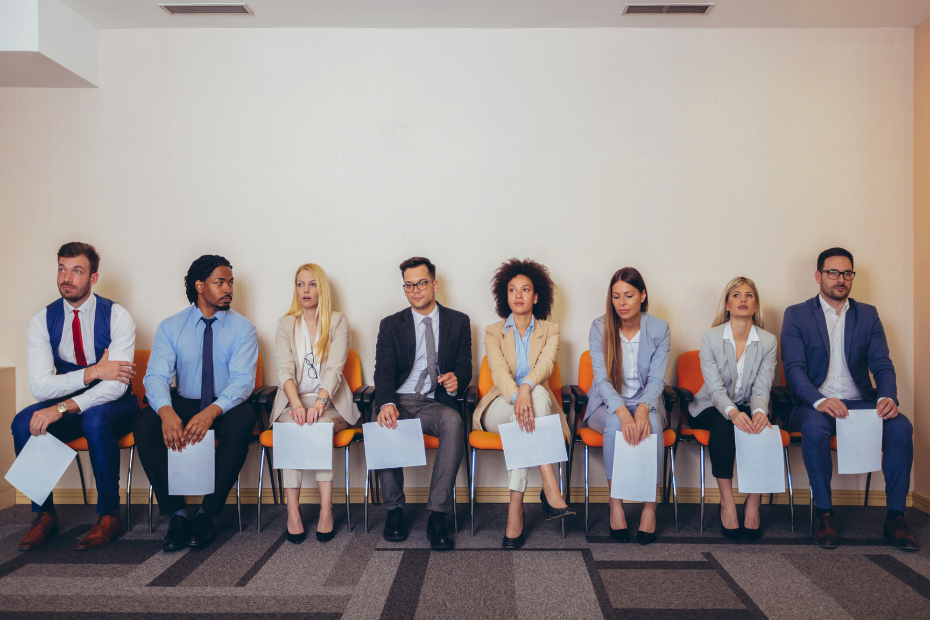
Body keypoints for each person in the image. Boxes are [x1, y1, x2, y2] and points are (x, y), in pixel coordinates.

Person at [782, 247, 917, 550]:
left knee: (901, 426)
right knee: (815, 427)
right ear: (819, 276)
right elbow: (794, 369)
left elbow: (881, 363)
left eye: (846, 273)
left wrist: (888, 397)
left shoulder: (867, 314)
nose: (840, 279)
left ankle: (895, 517)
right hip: (813, 404)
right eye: (833, 272)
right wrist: (818, 400)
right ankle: (824, 514)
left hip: (859, 402)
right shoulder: (797, 314)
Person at [13, 242, 139, 551]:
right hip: (70, 402)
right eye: (62, 269)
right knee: (22, 423)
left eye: (77, 271)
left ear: (93, 278)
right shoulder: (42, 320)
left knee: (95, 420)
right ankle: (44, 515)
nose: (66, 278)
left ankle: (109, 515)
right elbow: (40, 387)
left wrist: (64, 405)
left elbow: (117, 385)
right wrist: (94, 371)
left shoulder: (118, 316)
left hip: (114, 406)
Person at [135, 255, 258, 552]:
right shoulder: (171, 327)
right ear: (200, 286)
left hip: (223, 406)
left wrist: (212, 412)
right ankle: (176, 514)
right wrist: (166, 412)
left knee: (244, 419)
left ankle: (207, 514)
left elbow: (242, 381)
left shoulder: (244, 329)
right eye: (220, 282)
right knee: (144, 423)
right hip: (184, 402)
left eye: (230, 282)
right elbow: (155, 377)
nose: (228, 288)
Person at [473, 258, 574, 549]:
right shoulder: (494, 331)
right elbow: (499, 371)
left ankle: (514, 510)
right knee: (533, 402)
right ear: (505, 296)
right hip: (499, 406)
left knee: (537, 397)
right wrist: (519, 396)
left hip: (533, 407)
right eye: (512, 289)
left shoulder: (550, 331)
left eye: (525, 289)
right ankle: (549, 483)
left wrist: (527, 388)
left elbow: (544, 366)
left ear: (536, 296)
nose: (518, 295)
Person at [373, 257, 472, 550]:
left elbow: (465, 367)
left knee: (454, 421)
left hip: (432, 402)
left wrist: (458, 380)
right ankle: (394, 511)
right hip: (400, 399)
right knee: (383, 422)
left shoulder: (459, 321)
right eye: (409, 285)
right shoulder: (391, 325)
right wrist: (386, 402)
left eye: (421, 283)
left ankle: (437, 515)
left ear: (434, 284)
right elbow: (384, 370)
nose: (416, 290)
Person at [271, 263, 360, 544]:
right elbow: (284, 371)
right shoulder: (285, 324)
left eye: (312, 284)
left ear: (322, 288)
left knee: (318, 427)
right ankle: (293, 511)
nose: (305, 290)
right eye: (300, 284)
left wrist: (319, 404)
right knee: (294, 429)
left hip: (331, 404)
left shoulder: (337, 321)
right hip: (292, 402)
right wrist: (297, 406)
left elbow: (335, 368)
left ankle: (326, 509)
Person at [584, 267, 669, 545]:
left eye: (629, 295)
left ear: (642, 296)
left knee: (653, 426)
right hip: (607, 403)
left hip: (647, 400)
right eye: (616, 296)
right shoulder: (600, 327)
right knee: (614, 426)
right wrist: (622, 412)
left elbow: (657, 379)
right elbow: (601, 380)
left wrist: (643, 409)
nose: (622, 303)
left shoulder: (659, 328)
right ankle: (616, 505)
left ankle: (649, 509)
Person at [688, 277, 777, 541]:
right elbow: (715, 389)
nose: (742, 300)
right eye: (736, 295)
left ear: (756, 304)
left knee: (762, 427)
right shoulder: (711, 338)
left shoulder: (769, 341)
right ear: (727, 304)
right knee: (725, 423)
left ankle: (753, 503)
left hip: (750, 405)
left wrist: (759, 413)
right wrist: (733, 412)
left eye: (749, 295)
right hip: (709, 407)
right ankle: (727, 501)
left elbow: (762, 389)